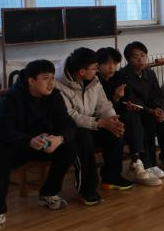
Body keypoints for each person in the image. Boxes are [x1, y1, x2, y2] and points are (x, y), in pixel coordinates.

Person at [0, 60, 77, 231]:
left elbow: (68, 123)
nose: (51, 83)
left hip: (43, 144)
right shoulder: (11, 98)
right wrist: (28, 141)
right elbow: (2, 131)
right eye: (45, 78)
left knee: (69, 147)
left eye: (52, 78)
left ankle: (48, 193)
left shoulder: (54, 96)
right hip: (17, 145)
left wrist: (59, 139)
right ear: (31, 80)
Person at [55, 48, 132, 206]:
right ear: (82, 71)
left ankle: (111, 177)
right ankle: (87, 189)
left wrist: (112, 119)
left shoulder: (93, 80)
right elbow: (70, 116)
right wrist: (100, 123)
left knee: (115, 132)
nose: (97, 71)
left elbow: (103, 104)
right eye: (95, 68)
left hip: (92, 123)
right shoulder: (58, 85)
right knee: (83, 136)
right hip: (69, 129)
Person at [97, 47, 161, 186]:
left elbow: (127, 99)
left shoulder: (119, 76)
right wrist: (115, 98)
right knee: (126, 125)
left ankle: (138, 161)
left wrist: (128, 104)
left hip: (119, 114)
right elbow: (99, 108)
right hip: (101, 119)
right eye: (107, 63)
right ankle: (139, 163)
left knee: (134, 116)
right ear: (98, 65)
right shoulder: (95, 80)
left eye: (115, 63)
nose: (112, 67)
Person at [121, 42, 164, 177]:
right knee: (148, 121)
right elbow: (132, 99)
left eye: (143, 55)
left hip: (151, 110)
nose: (141, 60)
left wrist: (158, 109)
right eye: (136, 57)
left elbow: (156, 94)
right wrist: (151, 111)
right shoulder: (123, 75)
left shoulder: (149, 73)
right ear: (128, 59)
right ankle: (149, 163)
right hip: (135, 112)